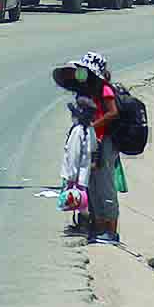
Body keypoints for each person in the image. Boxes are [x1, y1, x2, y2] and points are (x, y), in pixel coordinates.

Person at [53, 51, 122, 244]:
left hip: (105, 142)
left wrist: (92, 126)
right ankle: (97, 226)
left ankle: (111, 231)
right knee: (91, 185)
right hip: (91, 144)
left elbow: (112, 113)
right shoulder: (86, 90)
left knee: (105, 186)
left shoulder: (105, 89)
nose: (81, 74)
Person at [58, 94, 97, 237]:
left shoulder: (77, 131)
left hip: (75, 174)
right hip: (84, 173)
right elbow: (93, 148)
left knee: (79, 202)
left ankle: (83, 227)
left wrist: (71, 176)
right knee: (82, 200)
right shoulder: (90, 130)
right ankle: (84, 225)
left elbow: (73, 155)